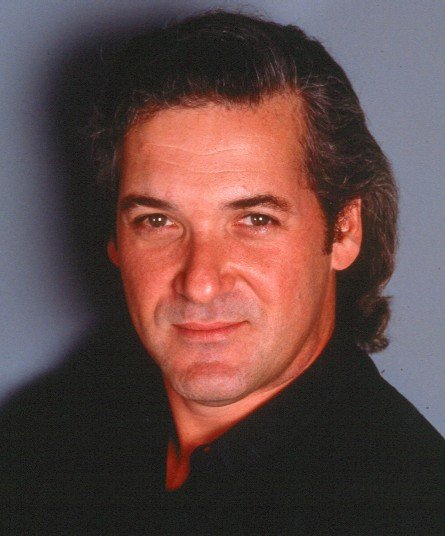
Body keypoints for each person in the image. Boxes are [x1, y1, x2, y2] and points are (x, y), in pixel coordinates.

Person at [1, 11, 444, 535]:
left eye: (255, 220)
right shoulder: (39, 450)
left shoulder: (408, 507)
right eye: (158, 221)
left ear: (344, 231)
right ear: (115, 239)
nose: (200, 282)